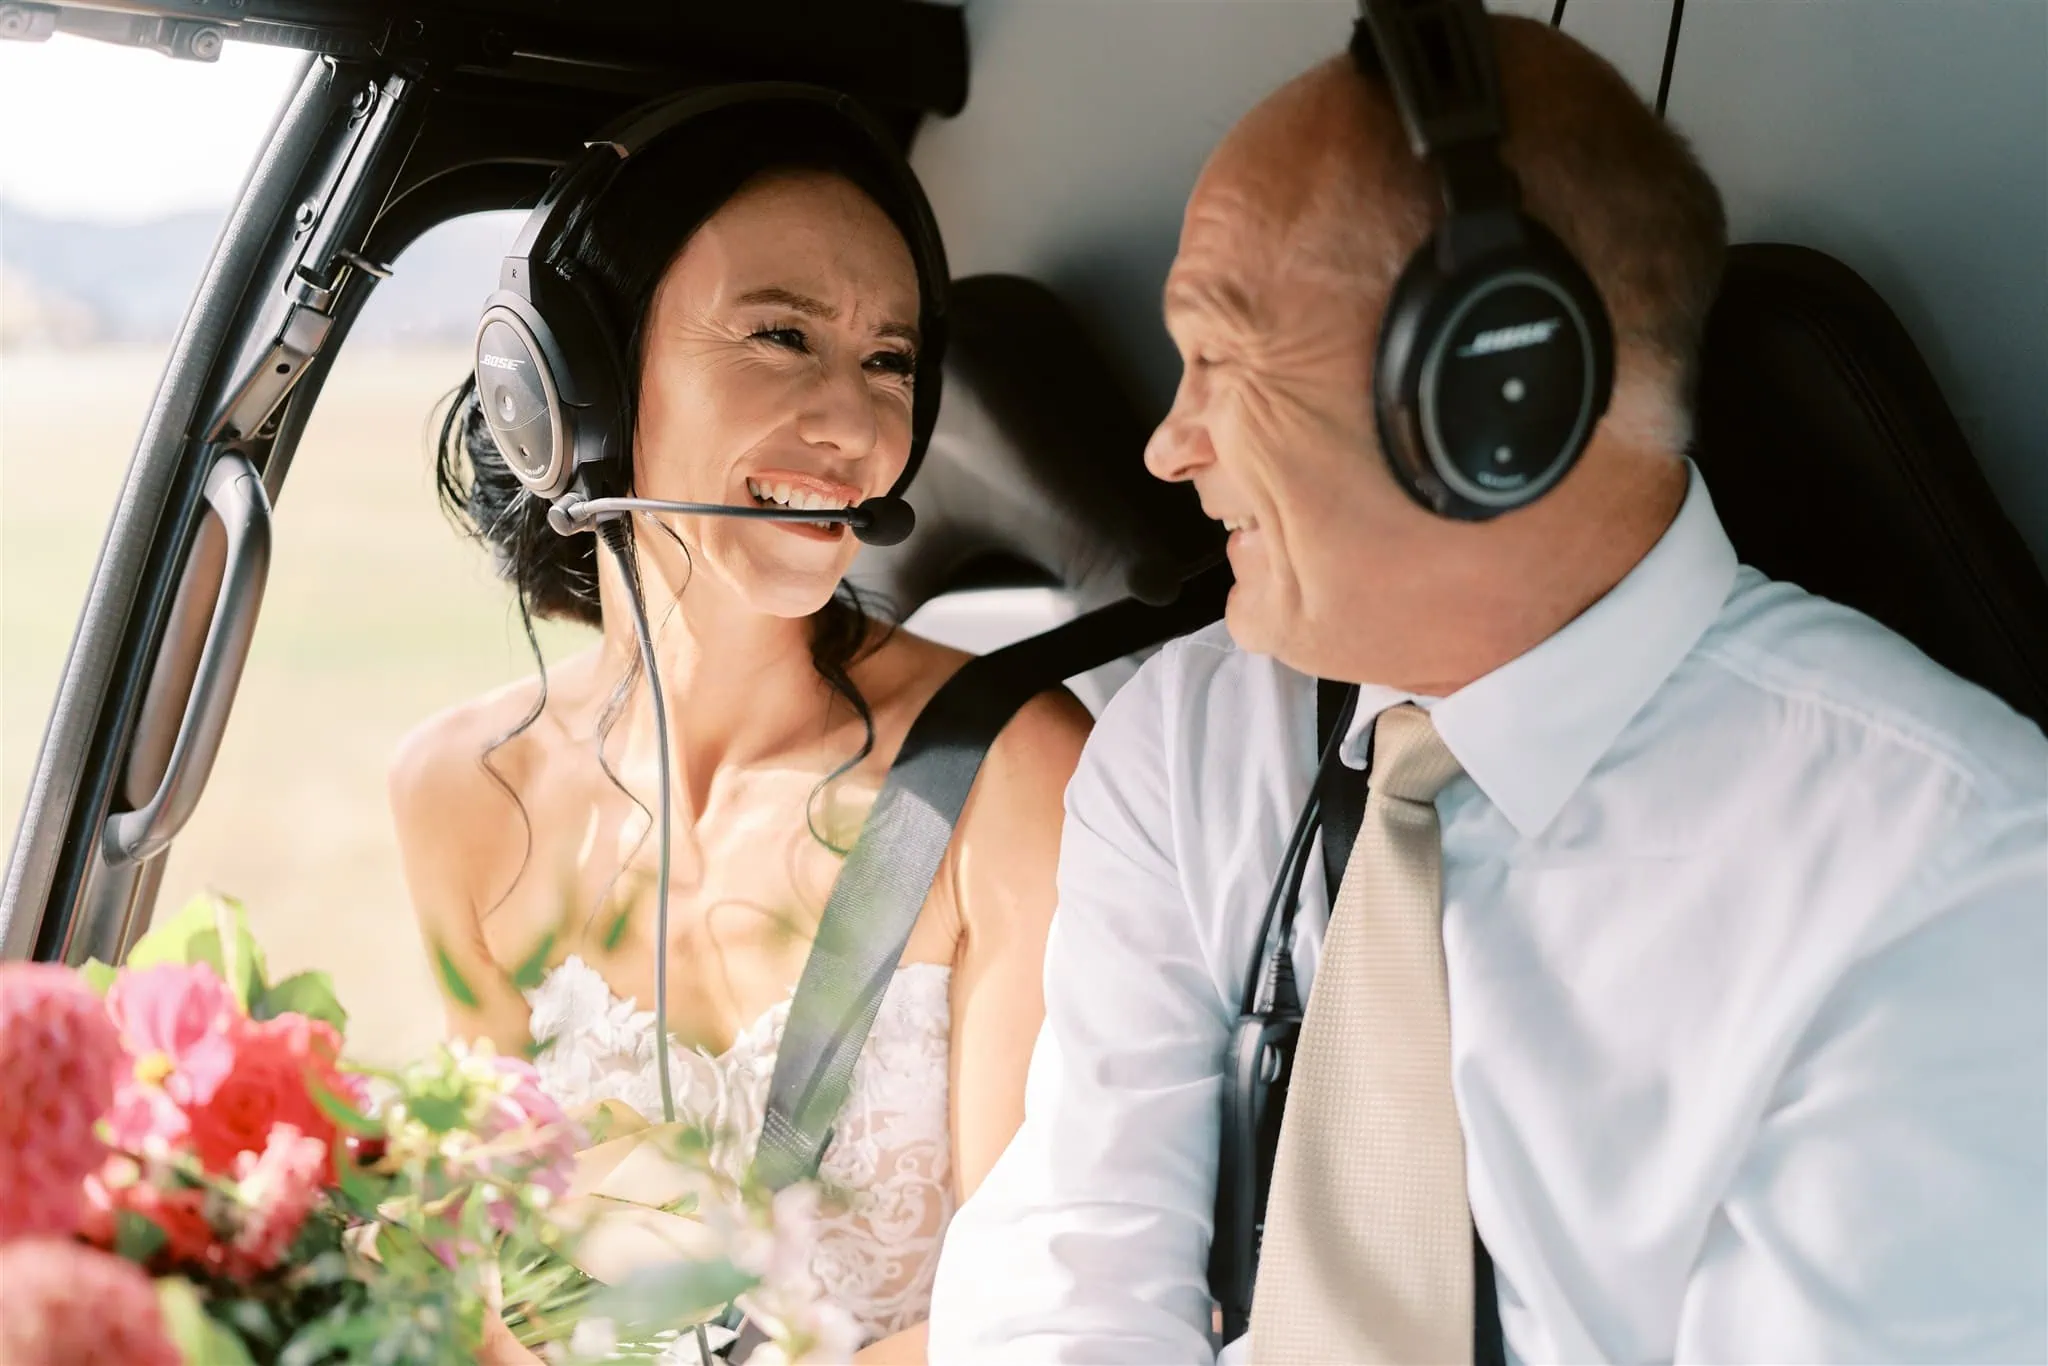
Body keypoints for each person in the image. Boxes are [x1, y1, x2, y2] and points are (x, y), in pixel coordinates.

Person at [927, 13, 2048, 1365]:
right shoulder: (1189, 737)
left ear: (1491, 400)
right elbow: (1069, 1274)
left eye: (1219, 358)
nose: (1171, 445)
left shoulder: (1945, 867)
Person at [388, 98, 1091, 1364]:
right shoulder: (456, 793)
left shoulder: (1011, 772)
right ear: (572, 383)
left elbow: (1027, 1315)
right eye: (782, 335)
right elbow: (496, 1286)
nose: (861, 428)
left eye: (890, 361)